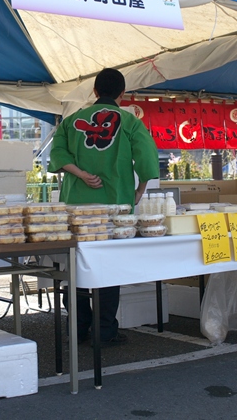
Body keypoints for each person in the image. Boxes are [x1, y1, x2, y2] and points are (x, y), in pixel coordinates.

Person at [48, 68, 159, 345]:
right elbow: (146, 156)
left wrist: (82, 174)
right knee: (108, 268)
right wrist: (139, 191)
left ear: (94, 92)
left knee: (75, 268)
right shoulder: (130, 122)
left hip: (76, 207)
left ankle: (78, 326)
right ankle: (105, 329)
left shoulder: (71, 121)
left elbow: (58, 155)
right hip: (115, 207)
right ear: (122, 94)